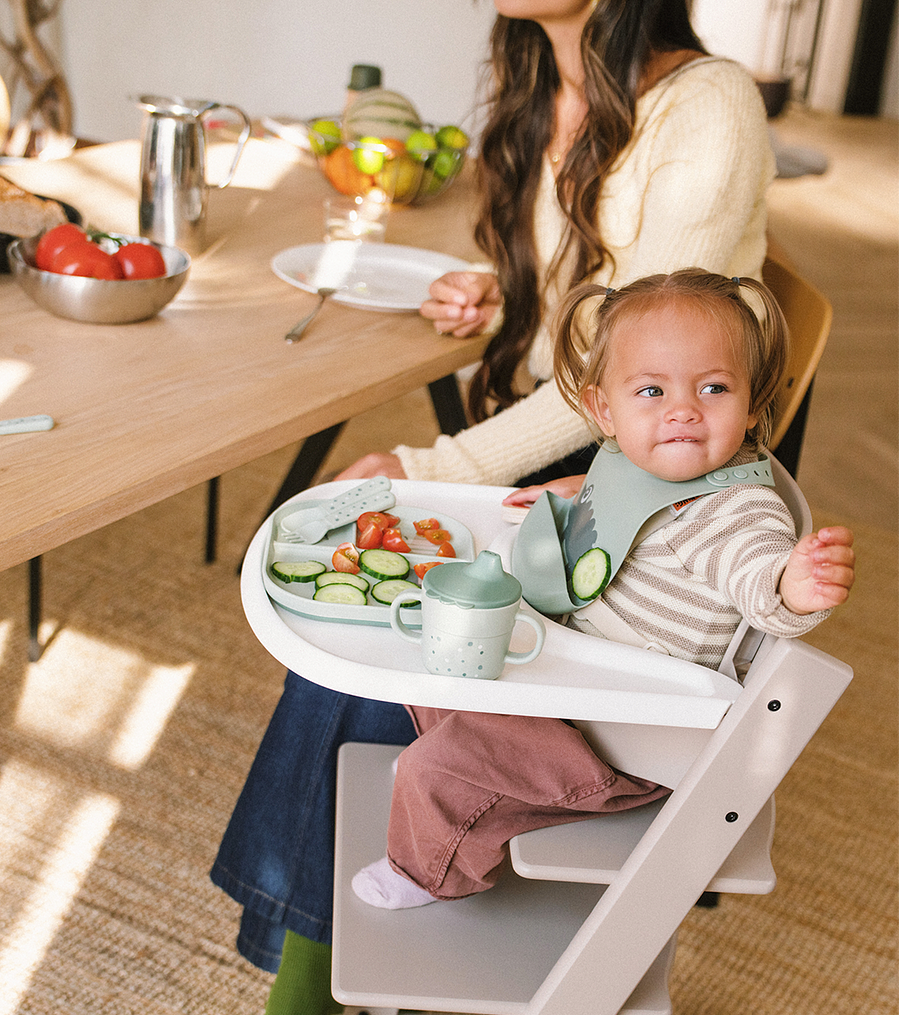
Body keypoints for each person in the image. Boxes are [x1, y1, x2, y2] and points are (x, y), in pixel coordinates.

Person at [213, 0, 777, 1015]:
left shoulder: (709, 111)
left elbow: (628, 377)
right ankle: (315, 934)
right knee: (357, 573)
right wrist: (500, 296)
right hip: (563, 443)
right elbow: (587, 308)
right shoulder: (546, 82)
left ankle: (306, 959)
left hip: (640, 487)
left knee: (390, 582)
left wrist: (440, 468)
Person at [351, 269, 856, 911]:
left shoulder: (734, 512)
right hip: (577, 685)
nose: (682, 410)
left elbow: (752, 570)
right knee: (440, 664)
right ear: (603, 411)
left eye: (714, 388)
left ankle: (426, 869)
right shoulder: (643, 457)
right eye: (651, 390)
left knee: (437, 769)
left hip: (618, 737)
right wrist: (579, 494)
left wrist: (790, 583)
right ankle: (467, 780)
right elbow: (624, 491)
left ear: (753, 405)